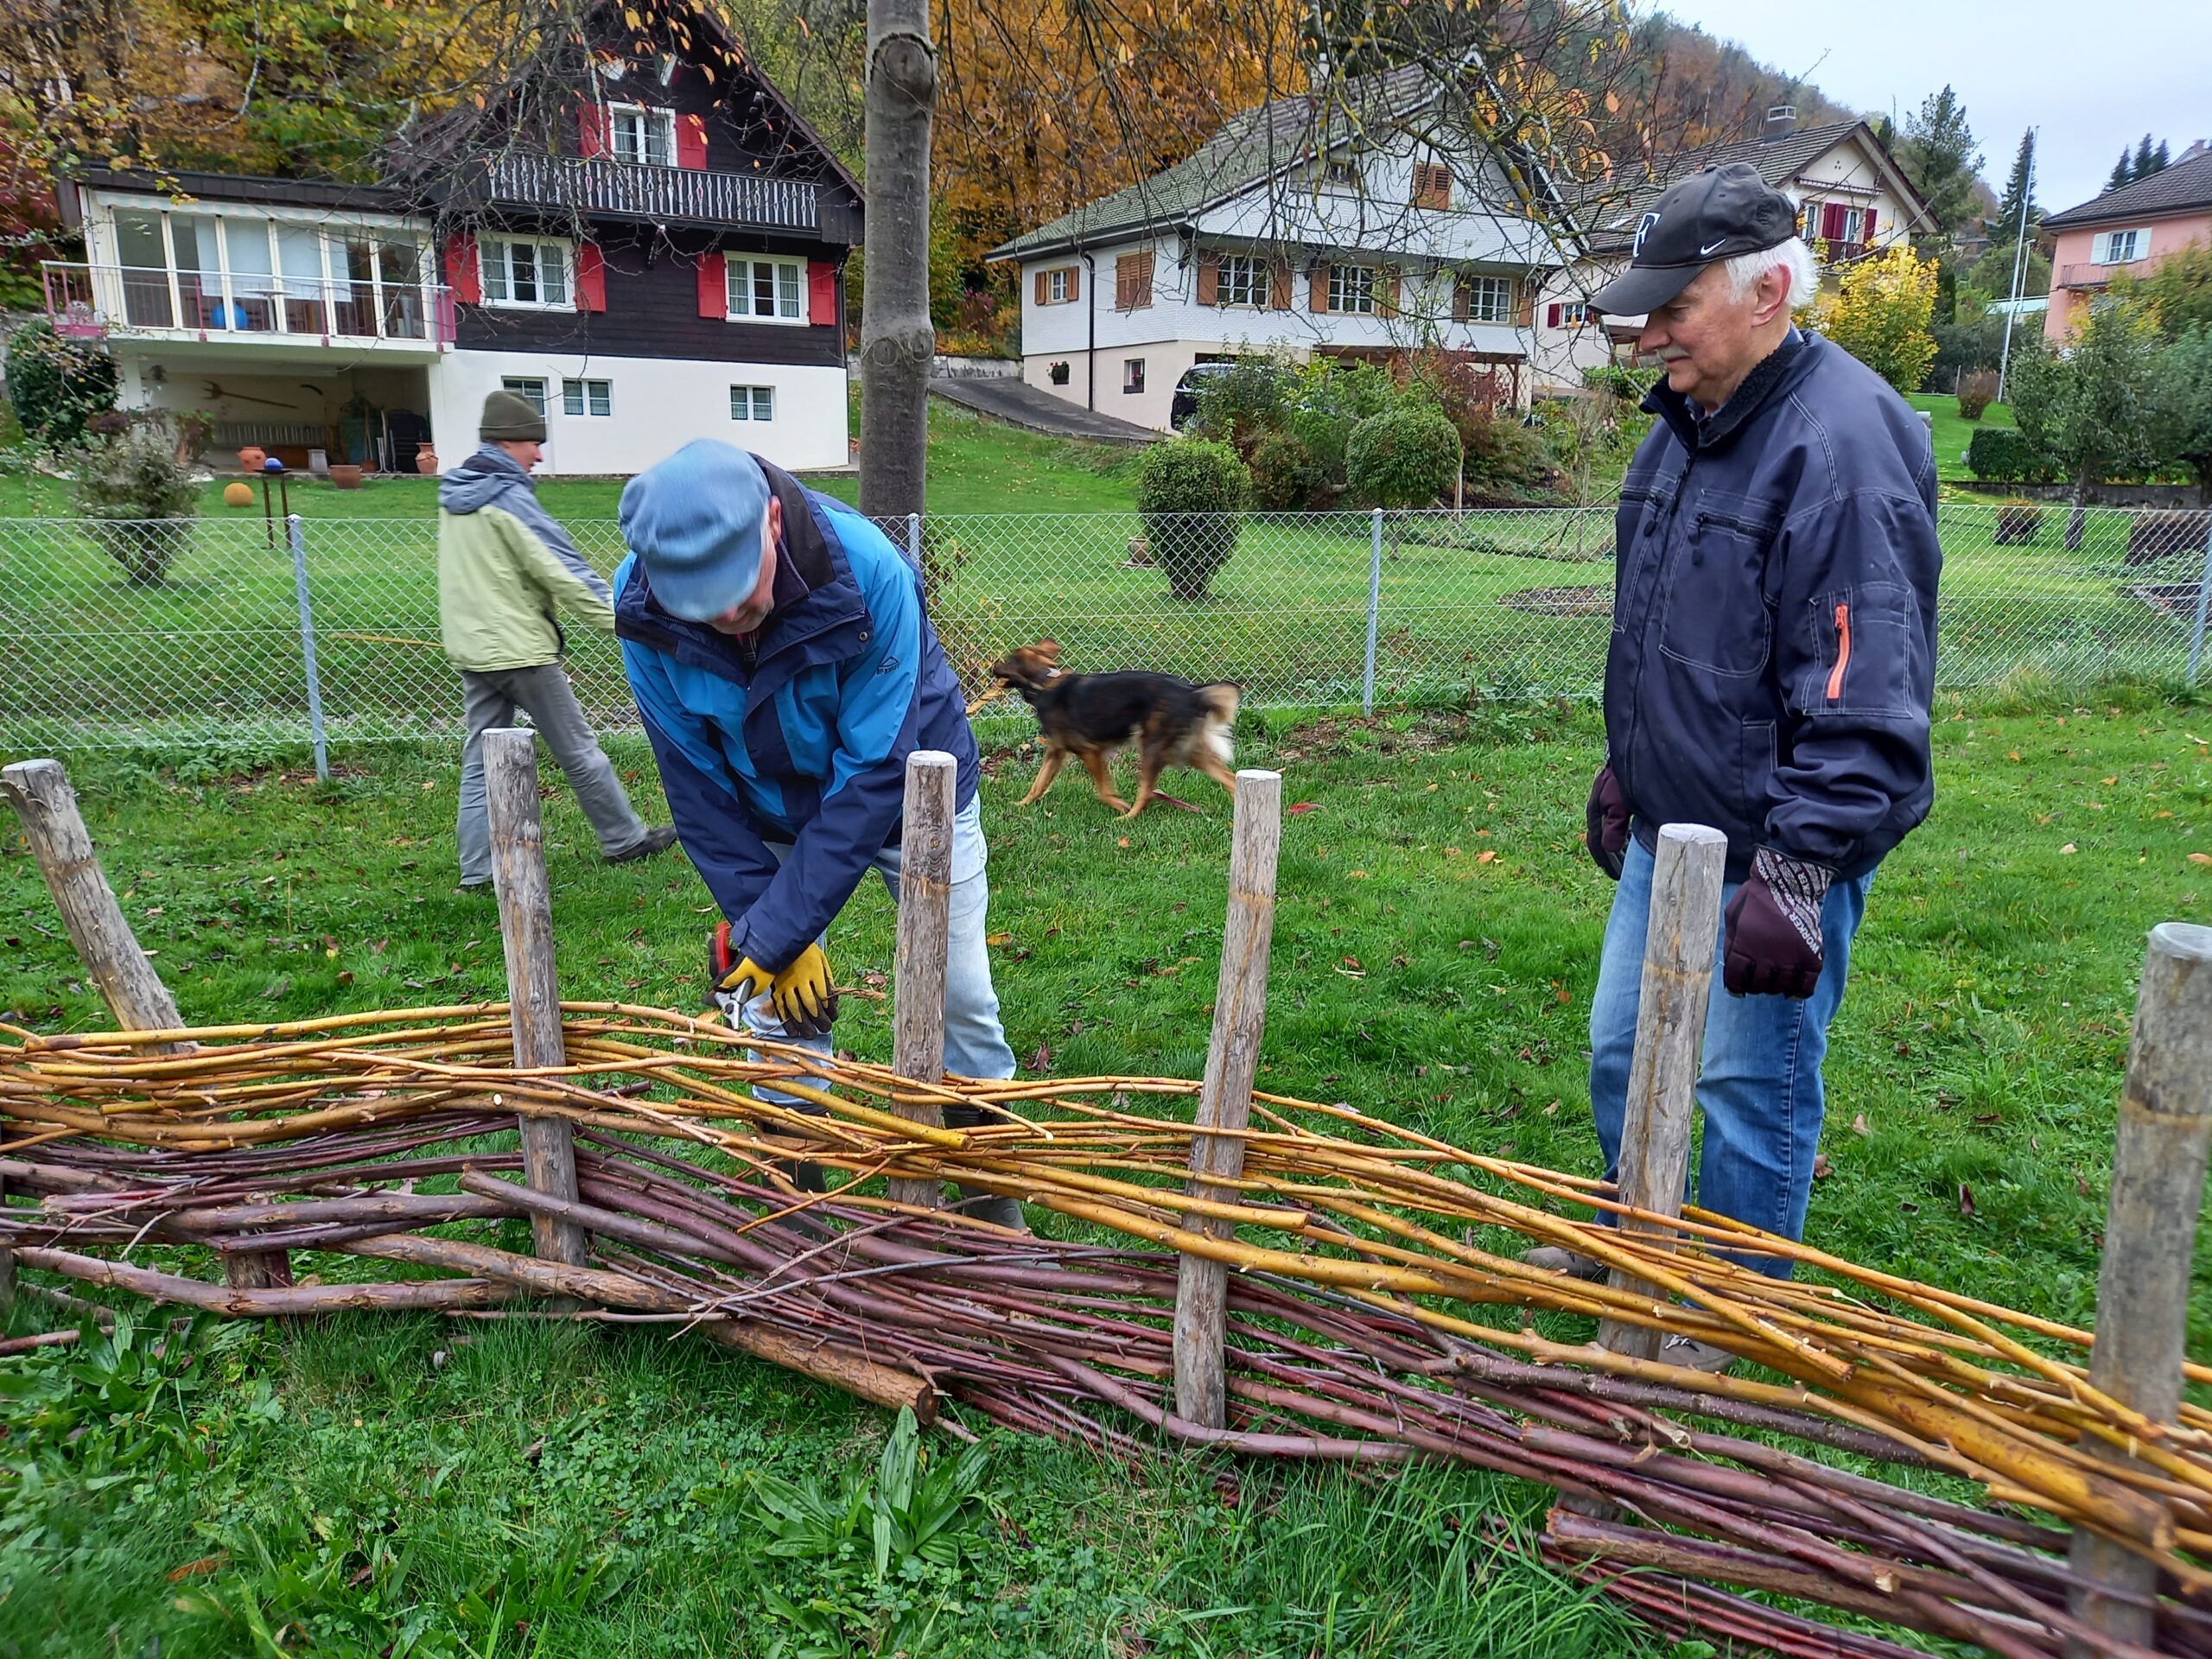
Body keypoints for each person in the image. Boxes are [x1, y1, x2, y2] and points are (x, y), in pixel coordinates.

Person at [1527, 164, 1941, 1365]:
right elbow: (1666, 628)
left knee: (1748, 1088)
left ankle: (1745, 1309)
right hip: (1676, 828)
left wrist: (1800, 873)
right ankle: (1642, 1223)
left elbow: (1865, 688)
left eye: (1674, 308)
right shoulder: (1685, 428)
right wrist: (1631, 766)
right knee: (1622, 1046)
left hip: (1778, 846)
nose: (1647, 334)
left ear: (1766, 293)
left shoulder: (1844, 447)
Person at [611, 439, 1023, 1227]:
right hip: (763, 803)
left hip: (911, 792)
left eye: (737, 591)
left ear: (772, 520)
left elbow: (872, 772)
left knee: (960, 996)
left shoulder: (867, 571)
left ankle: (988, 1202)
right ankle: (792, 1207)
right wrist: (772, 929)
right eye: (702, 604)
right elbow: (693, 786)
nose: (727, 619)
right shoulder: (641, 608)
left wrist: (773, 931)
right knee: (775, 1009)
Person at [439, 390, 677, 890]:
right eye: (532, 444)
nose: (539, 456)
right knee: (578, 748)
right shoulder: (506, 498)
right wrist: (635, 624)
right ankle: (624, 838)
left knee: (481, 761)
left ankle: (478, 869)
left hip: (474, 649)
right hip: (519, 651)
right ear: (507, 442)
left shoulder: (458, 495)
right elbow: (564, 572)